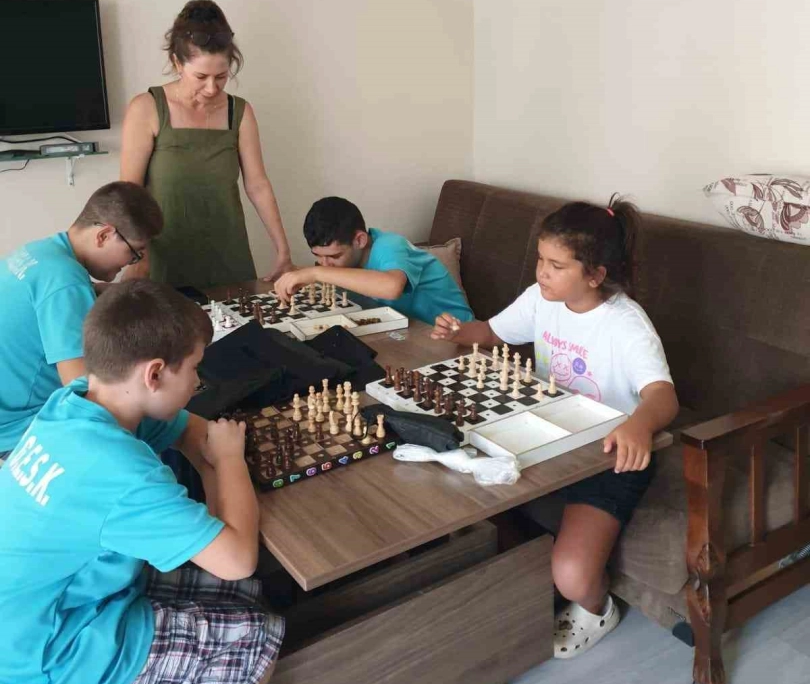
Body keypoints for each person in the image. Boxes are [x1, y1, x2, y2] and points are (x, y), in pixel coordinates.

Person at [0, 281, 283, 684]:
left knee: (240, 596)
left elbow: (193, 434)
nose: (198, 383)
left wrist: (215, 468)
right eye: (194, 369)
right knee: (256, 640)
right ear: (154, 373)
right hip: (46, 672)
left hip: (39, 624)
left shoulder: (75, 403)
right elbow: (238, 558)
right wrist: (230, 460)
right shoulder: (117, 469)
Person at [431, 196, 677, 658]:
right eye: (541, 260)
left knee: (572, 577)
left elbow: (663, 395)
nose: (542, 273)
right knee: (454, 486)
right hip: (548, 439)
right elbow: (494, 332)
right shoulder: (541, 299)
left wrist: (639, 425)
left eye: (556, 265)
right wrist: (459, 332)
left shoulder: (626, 324)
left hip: (608, 458)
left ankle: (599, 609)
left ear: (595, 275)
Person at [120, 0, 293, 288]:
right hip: (161, 257)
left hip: (228, 256)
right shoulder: (146, 108)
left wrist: (283, 250)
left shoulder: (239, 112)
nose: (212, 88)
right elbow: (129, 192)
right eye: (201, 76)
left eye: (221, 77)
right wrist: (138, 256)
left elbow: (258, 185)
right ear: (177, 63)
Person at [0, 181, 163, 455]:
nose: (130, 263)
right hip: (17, 431)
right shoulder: (65, 281)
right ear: (104, 235)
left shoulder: (40, 251)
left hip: (7, 408)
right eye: (133, 253)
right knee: (152, 422)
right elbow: (83, 392)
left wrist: (95, 292)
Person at [274, 196, 473, 326]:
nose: (324, 264)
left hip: (458, 337)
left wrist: (315, 273)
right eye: (317, 256)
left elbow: (391, 287)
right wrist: (299, 276)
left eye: (334, 256)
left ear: (359, 240)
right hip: (408, 331)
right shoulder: (349, 262)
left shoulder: (389, 245)